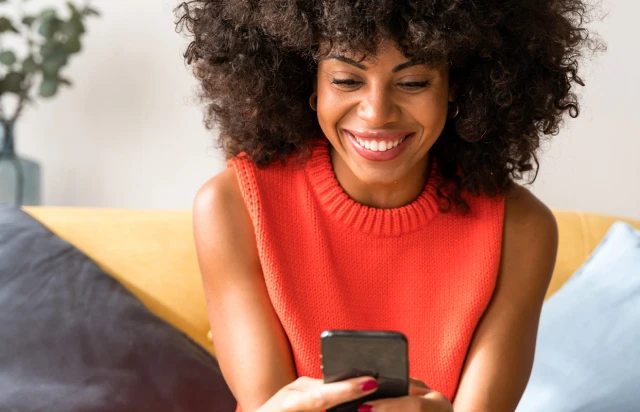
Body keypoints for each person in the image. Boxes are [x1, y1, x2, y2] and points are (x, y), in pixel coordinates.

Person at [175, 1, 598, 411]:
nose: (376, 114)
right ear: (310, 86)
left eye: (413, 82)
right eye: (346, 80)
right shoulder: (235, 207)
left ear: (458, 89)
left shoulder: (518, 229)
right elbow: (267, 403)